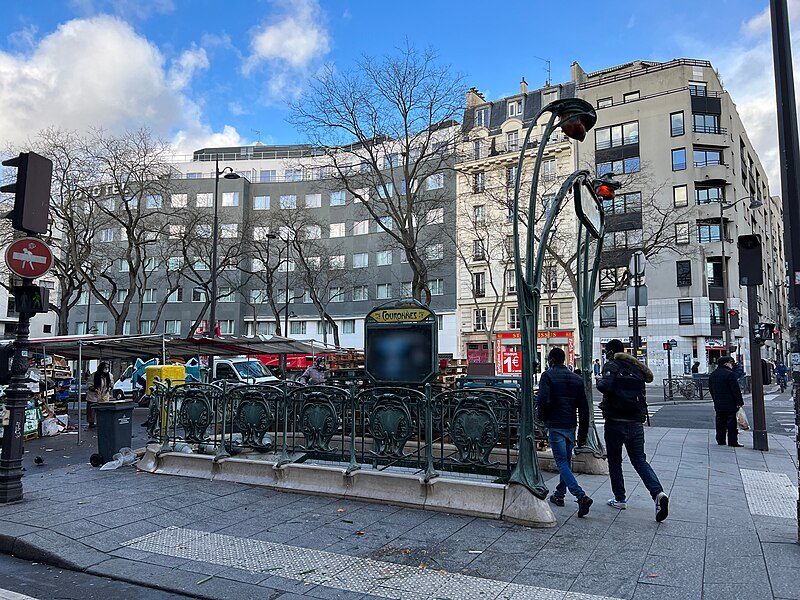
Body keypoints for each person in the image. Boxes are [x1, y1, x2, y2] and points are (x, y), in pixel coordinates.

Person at [597, 339, 669, 522]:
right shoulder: (636, 368)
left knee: (614, 461)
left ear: (611, 351)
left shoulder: (611, 366)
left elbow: (605, 387)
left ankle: (620, 498)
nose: (606, 353)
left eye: (606, 350)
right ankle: (658, 493)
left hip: (615, 421)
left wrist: (599, 380)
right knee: (639, 460)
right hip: (636, 422)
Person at [537, 348, 592, 517]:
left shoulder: (548, 376)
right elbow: (584, 409)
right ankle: (559, 495)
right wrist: (582, 435)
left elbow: (543, 400)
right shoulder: (576, 379)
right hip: (570, 425)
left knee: (561, 462)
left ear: (552, 360)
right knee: (566, 462)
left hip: (556, 424)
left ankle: (581, 496)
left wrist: (542, 418)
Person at [708, 356, 745, 447]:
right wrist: (739, 402)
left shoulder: (713, 374)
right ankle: (732, 441)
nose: (732, 365)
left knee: (720, 422)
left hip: (719, 402)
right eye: (731, 363)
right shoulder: (730, 374)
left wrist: (715, 399)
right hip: (730, 402)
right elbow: (735, 390)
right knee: (731, 423)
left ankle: (721, 440)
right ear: (726, 363)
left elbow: (711, 389)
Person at [86, 362, 113, 429]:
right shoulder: (94, 375)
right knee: (91, 410)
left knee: (103, 410)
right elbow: (89, 384)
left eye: (107, 368)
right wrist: (95, 389)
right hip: (93, 396)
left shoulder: (109, 375)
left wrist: (110, 387)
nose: (106, 369)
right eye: (105, 368)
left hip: (104, 395)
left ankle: (102, 421)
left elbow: (111, 383)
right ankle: (91, 423)